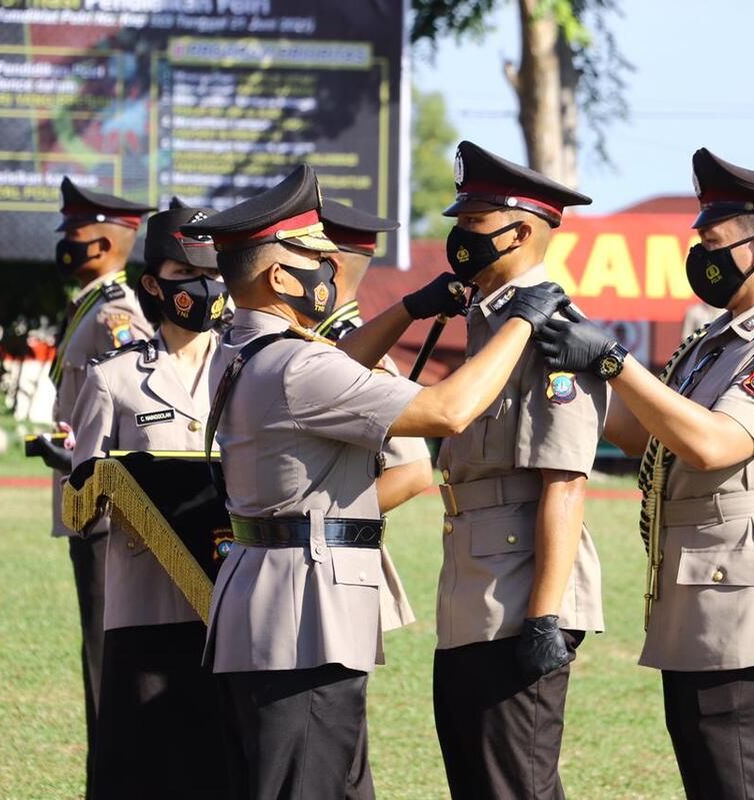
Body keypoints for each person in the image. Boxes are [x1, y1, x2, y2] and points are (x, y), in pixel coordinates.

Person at [181, 163, 571, 800]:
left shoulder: (244, 346)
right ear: (281, 275)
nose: (330, 275)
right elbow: (446, 411)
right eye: (317, 261)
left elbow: (334, 363)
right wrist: (524, 321)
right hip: (304, 613)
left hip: (269, 598)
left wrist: (409, 310)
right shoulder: (295, 364)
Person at [535, 149, 754, 800]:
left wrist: (614, 361)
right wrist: (562, 371)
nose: (698, 253)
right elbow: (646, 434)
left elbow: (712, 444)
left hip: (746, 612)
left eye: (711, 241)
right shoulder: (715, 340)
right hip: (701, 606)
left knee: (743, 787)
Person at [431, 140, 608, 800]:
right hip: (478, 580)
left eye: (473, 224)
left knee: (515, 784)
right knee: (480, 780)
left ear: (521, 230)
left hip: (521, 589)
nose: (459, 238)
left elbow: (565, 480)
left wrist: (544, 617)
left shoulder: (551, 325)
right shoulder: (490, 317)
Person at [69, 199, 234, 799]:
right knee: (141, 767)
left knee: (222, 765)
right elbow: (80, 499)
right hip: (145, 602)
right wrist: (113, 492)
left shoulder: (251, 370)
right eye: (186, 276)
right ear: (152, 285)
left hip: (232, 603)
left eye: (214, 275)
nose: (205, 288)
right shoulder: (111, 379)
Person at [313, 199, 434, 800]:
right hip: (302, 574)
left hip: (326, 567)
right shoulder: (315, 343)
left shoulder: (350, 351)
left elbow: (413, 473)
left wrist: (313, 522)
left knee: (334, 754)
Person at [49, 177, 155, 789]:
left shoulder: (115, 311)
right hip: (86, 498)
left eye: (76, 233)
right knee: (99, 658)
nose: (66, 243)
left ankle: (114, 781)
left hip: (106, 509)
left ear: (106, 244)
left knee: (107, 663)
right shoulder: (90, 302)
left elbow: (139, 393)